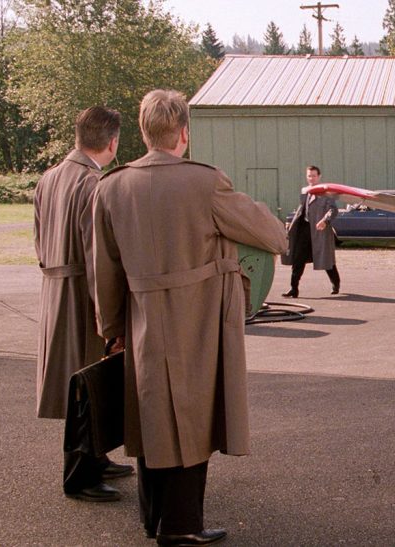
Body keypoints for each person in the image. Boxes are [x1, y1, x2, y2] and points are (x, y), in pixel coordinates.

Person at [91, 89, 287, 545]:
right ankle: (180, 526)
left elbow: (105, 268)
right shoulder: (205, 181)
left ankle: (154, 518)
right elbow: (272, 235)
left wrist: (112, 329)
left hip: (140, 319)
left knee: (150, 417)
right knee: (192, 420)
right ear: (184, 133)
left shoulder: (112, 186)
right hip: (196, 319)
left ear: (142, 132)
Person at [34, 106, 133, 503]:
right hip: (83, 293)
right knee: (87, 383)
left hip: (57, 288)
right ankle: (80, 474)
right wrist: (111, 317)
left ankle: (96, 456)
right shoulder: (93, 183)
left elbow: (40, 240)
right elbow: (100, 256)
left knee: (83, 378)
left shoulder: (49, 178)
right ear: (112, 142)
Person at [282, 165, 341, 297]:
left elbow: (333, 210)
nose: (311, 178)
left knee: (325, 259)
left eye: (314, 176)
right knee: (298, 258)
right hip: (305, 229)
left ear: (319, 177)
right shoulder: (305, 191)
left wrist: (325, 221)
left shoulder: (326, 193)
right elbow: (301, 209)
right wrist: (292, 224)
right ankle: (294, 288)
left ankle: (335, 283)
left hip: (320, 231)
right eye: (309, 176)